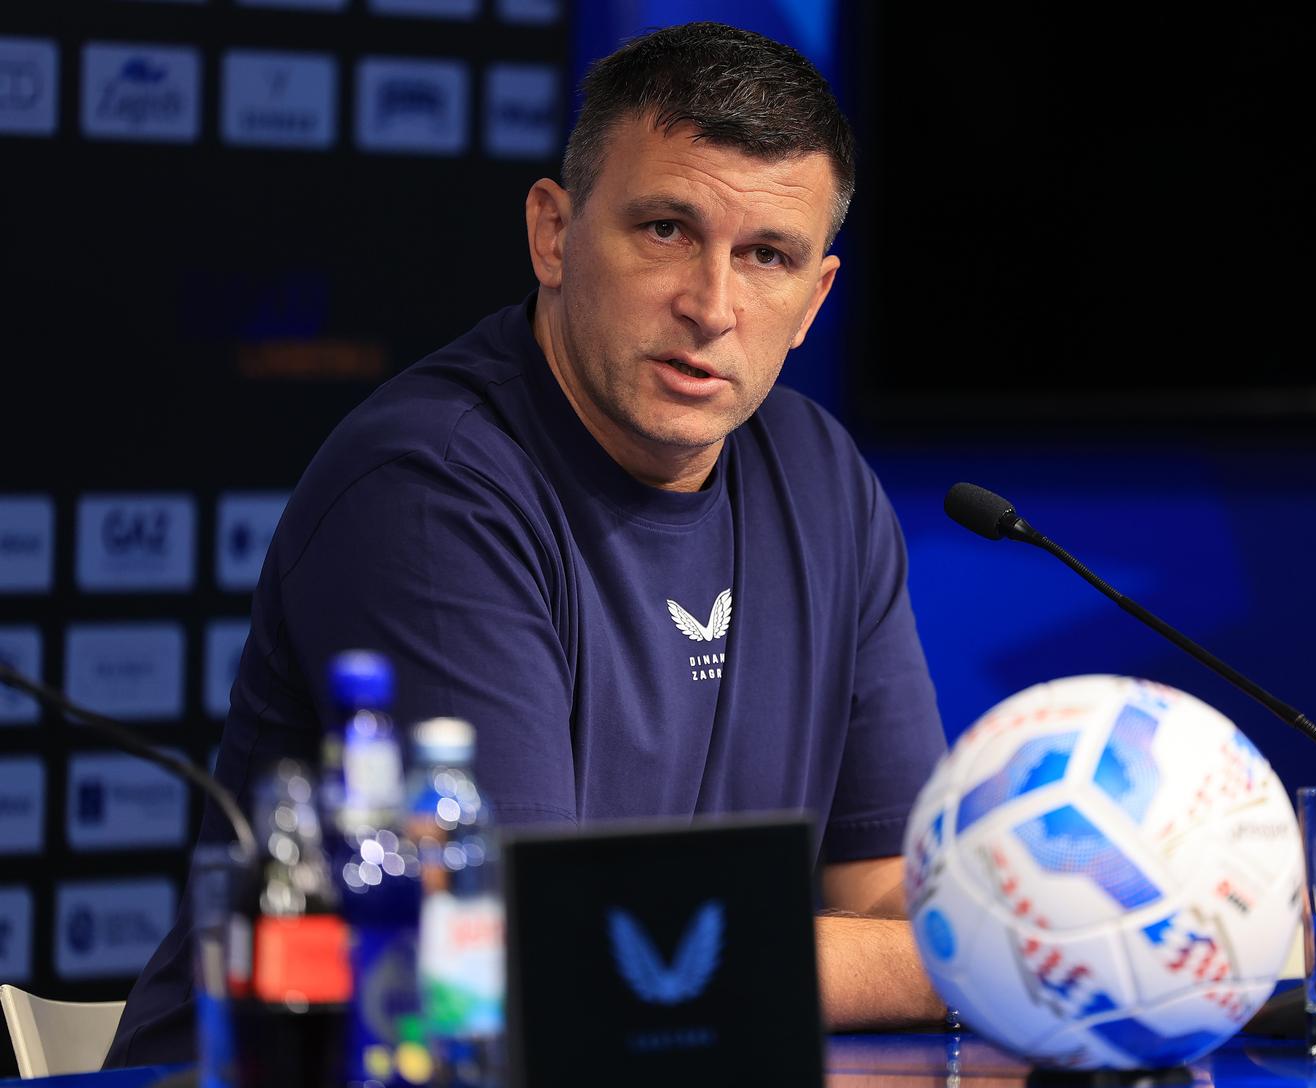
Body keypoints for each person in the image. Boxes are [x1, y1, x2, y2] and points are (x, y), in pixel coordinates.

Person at [108, 21, 948, 1066]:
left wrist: (938, 946)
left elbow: (884, 885)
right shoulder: (429, 485)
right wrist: (966, 957)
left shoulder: (822, 480)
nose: (711, 305)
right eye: (665, 231)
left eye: (765, 255)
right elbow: (529, 959)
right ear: (553, 233)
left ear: (813, 297)